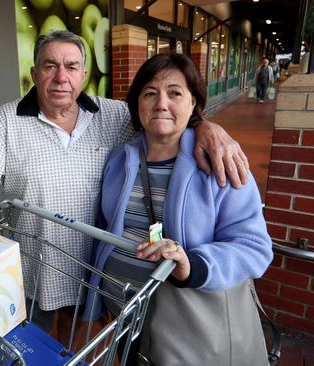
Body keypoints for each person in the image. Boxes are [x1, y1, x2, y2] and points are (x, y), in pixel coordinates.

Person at [0, 31, 249, 326]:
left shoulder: (112, 115)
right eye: (50, 66)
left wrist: (206, 126)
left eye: (71, 67)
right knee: (37, 344)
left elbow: (163, 120)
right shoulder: (7, 121)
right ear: (34, 73)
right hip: (38, 269)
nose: (61, 77)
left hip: (94, 269)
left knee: (91, 338)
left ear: (83, 74)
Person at [85, 53, 273, 365]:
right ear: (137, 105)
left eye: (175, 93)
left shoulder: (220, 164)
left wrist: (192, 266)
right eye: (150, 93)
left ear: (193, 104)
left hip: (186, 327)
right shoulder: (120, 159)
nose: (161, 104)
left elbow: (254, 247)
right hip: (124, 312)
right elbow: (105, 230)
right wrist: (97, 300)